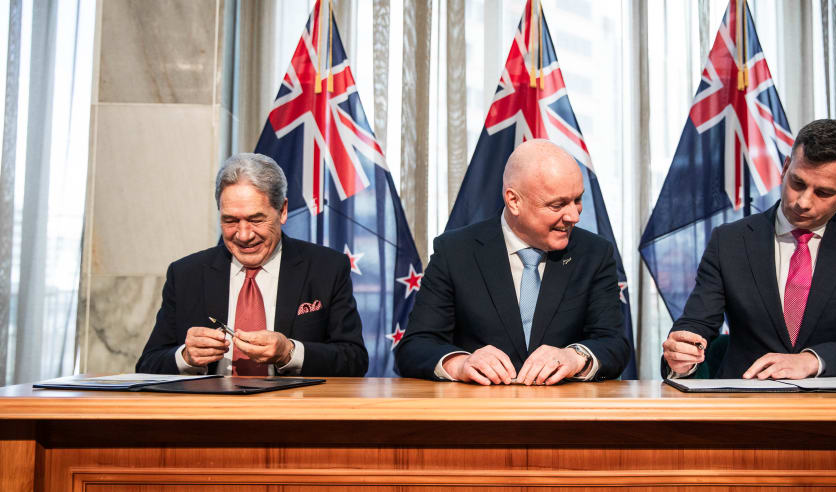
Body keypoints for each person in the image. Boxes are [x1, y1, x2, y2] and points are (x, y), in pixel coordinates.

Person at [663, 119, 836, 380]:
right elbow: (697, 324)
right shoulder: (730, 241)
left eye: (823, 193)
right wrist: (683, 353)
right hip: (746, 405)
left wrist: (813, 361)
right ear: (786, 167)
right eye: (798, 183)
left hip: (834, 408)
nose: (803, 202)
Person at [396, 140, 631, 385]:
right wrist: (460, 363)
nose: (573, 216)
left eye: (577, 200)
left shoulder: (595, 253)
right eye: (558, 205)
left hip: (564, 415)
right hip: (479, 415)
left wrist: (574, 357)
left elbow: (613, 344)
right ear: (514, 201)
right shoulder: (455, 252)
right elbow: (415, 347)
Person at [137, 153, 368, 377]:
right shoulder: (186, 274)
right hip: (208, 411)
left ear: (283, 211)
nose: (244, 235)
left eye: (256, 220)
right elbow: (147, 365)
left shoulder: (326, 268)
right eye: (230, 221)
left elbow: (354, 360)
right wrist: (186, 357)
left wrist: (289, 352)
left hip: (291, 412)